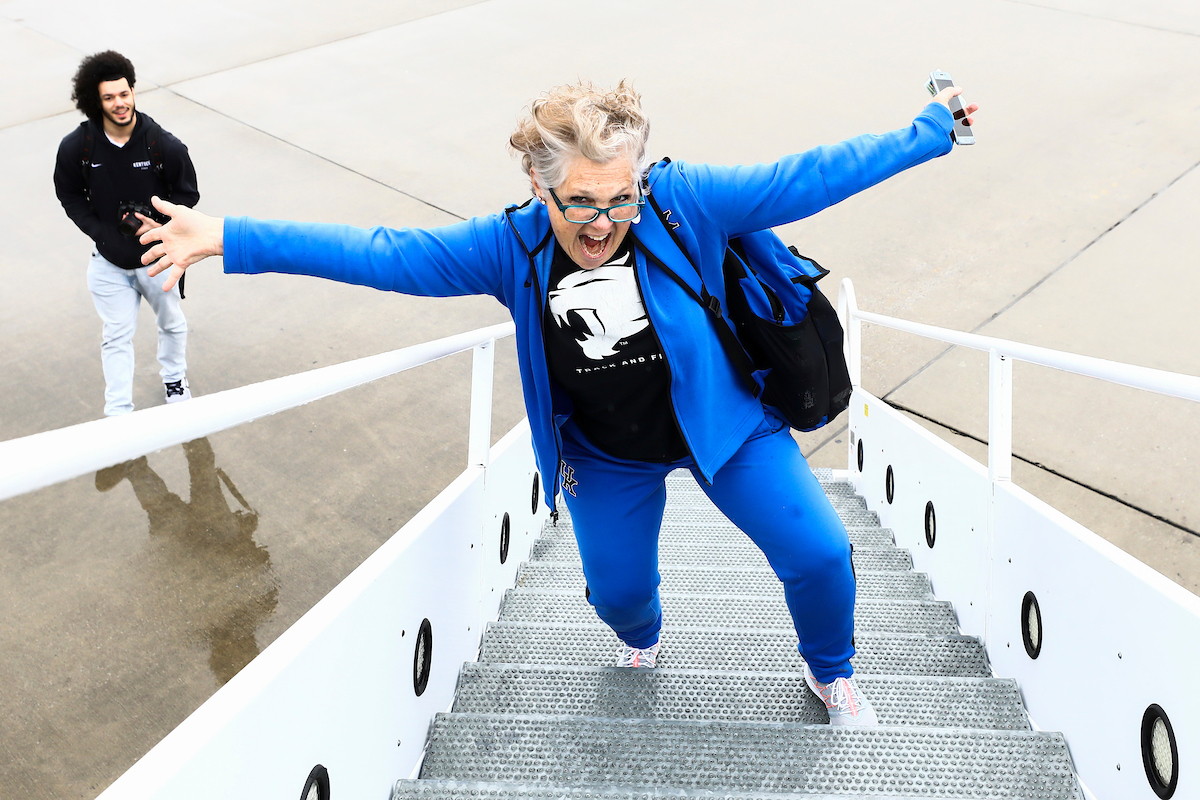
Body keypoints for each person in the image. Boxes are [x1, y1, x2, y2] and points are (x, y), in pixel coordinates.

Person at [140, 80, 978, 725]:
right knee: (617, 596)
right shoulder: (511, 248)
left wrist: (931, 130)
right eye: (582, 201)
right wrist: (230, 237)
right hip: (605, 454)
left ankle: (830, 671)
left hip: (723, 425)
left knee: (824, 555)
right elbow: (381, 254)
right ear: (541, 189)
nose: (605, 221)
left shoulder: (684, 202)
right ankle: (643, 640)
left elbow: (818, 174)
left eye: (621, 198)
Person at [54, 50, 200, 416]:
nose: (119, 103)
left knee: (172, 324)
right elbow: (68, 193)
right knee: (115, 336)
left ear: (132, 91)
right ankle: (118, 412)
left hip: (157, 258)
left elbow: (188, 193)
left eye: (124, 93)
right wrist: (99, 232)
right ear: (95, 101)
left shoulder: (162, 144)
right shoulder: (79, 147)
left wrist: (164, 226)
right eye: (109, 97)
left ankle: (175, 381)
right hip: (107, 263)